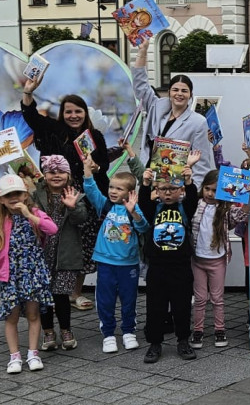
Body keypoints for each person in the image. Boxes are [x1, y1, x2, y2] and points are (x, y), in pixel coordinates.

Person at [19, 80, 105, 314]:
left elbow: (104, 165)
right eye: (69, 111)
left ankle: (74, 293)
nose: (73, 115)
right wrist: (28, 91)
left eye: (78, 111)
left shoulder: (94, 135)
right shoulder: (53, 130)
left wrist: (95, 168)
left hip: (82, 195)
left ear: (85, 113)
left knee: (80, 243)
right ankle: (50, 290)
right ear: (62, 113)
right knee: (50, 239)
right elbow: (30, 115)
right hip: (52, 193)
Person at [0, 170, 59, 373]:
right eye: (8, 195)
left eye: (17, 194)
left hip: (33, 273)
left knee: (33, 313)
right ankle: (14, 356)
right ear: (1, 199)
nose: (13, 198)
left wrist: (29, 215)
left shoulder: (34, 213)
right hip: (11, 275)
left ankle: (33, 353)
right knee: (11, 316)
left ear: (25, 195)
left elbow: (52, 229)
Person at [80, 157, 149, 354]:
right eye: (111, 187)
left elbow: (143, 227)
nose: (113, 191)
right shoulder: (106, 206)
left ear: (130, 192)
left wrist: (133, 212)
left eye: (119, 189)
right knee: (105, 300)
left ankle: (128, 332)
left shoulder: (133, 208)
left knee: (129, 299)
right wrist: (87, 170)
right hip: (106, 263)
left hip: (128, 264)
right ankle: (108, 334)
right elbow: (91, 190)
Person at [140, 149, 202, 363]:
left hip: (180, 267)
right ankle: (154, 344)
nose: (167, 193)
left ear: (180, 190)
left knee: (182, 306)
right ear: (157, 190)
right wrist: (146, 183)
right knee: (155, 307)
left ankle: (183, 340)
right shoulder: (153, 209)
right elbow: (143, 203)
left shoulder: (185, 208)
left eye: (172, 189)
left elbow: (193, 198)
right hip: (157, 267)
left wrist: (188, 178)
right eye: (163, 189)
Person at [131, 38, 213, 182]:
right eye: (175, 90)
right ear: (169, 92)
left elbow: (202, 161)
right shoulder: (156, 107)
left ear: (190, 95)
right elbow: (140, 86)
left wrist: (195, 192)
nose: (179, 94)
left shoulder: (198, 122)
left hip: (175, 185)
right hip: (148, 178)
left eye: (184, 91)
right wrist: (142, 51)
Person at [34, 155, 93, 352]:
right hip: (41, 254)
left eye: (61, 172)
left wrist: (72, 207)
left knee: (61, 295)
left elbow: (81, 220)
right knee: (43, 297)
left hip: (65, 254)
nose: (56, 175)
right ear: (45, 174)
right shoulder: (35, 195)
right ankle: (48, 331)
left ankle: (66, 330)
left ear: (68, 175)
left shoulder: (76, 194)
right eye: (51, 172)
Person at [191, 169, 247, 348]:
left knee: (217, 298)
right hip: (197, 259)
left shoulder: (225, 208)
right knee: (199, 298)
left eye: (215, 190)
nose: (210, 193)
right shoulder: (196, 204)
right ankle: (198, 330)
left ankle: (219, 330)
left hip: (217, 260)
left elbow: (241, 216)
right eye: (207, 189)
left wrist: (249, 195)